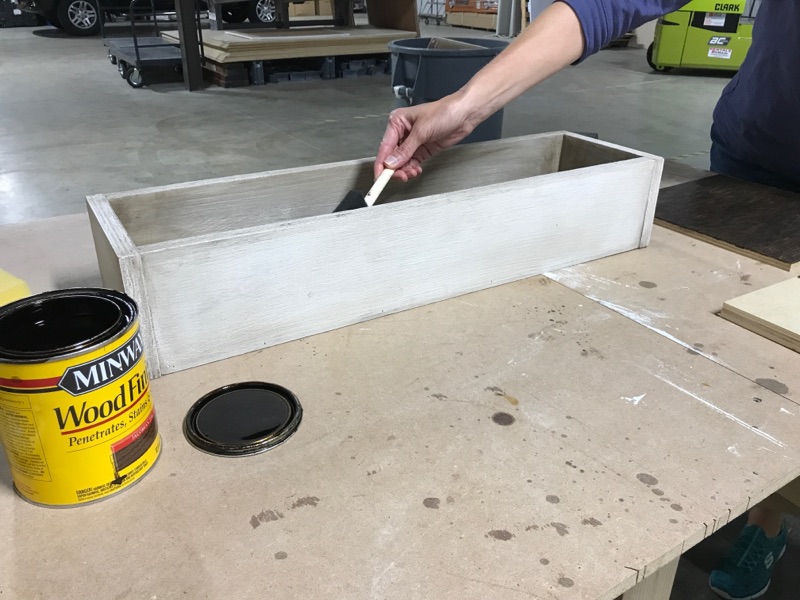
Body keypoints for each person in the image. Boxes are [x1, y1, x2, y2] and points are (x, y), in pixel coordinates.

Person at [374, 1, 798, 599]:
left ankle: (765, 516)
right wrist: (464, 106)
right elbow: (608, 4)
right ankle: (742, 503)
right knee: (732, 344)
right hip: (758, 150)